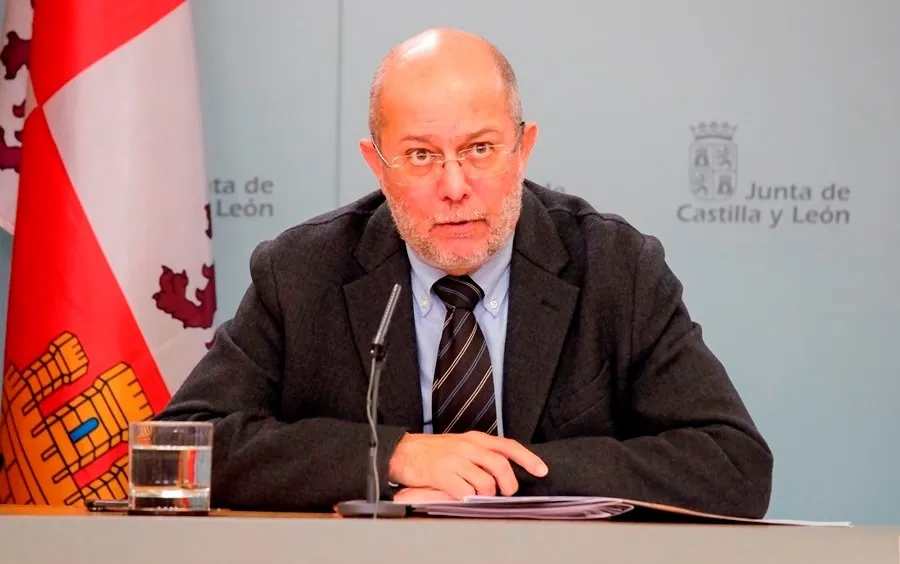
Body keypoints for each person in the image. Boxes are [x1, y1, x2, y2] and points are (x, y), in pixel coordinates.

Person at [155, 27, 774, 517]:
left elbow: (734, 464)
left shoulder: (615, 268)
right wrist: (394, 456)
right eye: (421, 155)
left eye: (480, 149)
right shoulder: (301, 273)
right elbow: (179, 446)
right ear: (377, 165)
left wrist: (499, 478)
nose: (455, 186)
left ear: (523, 149)